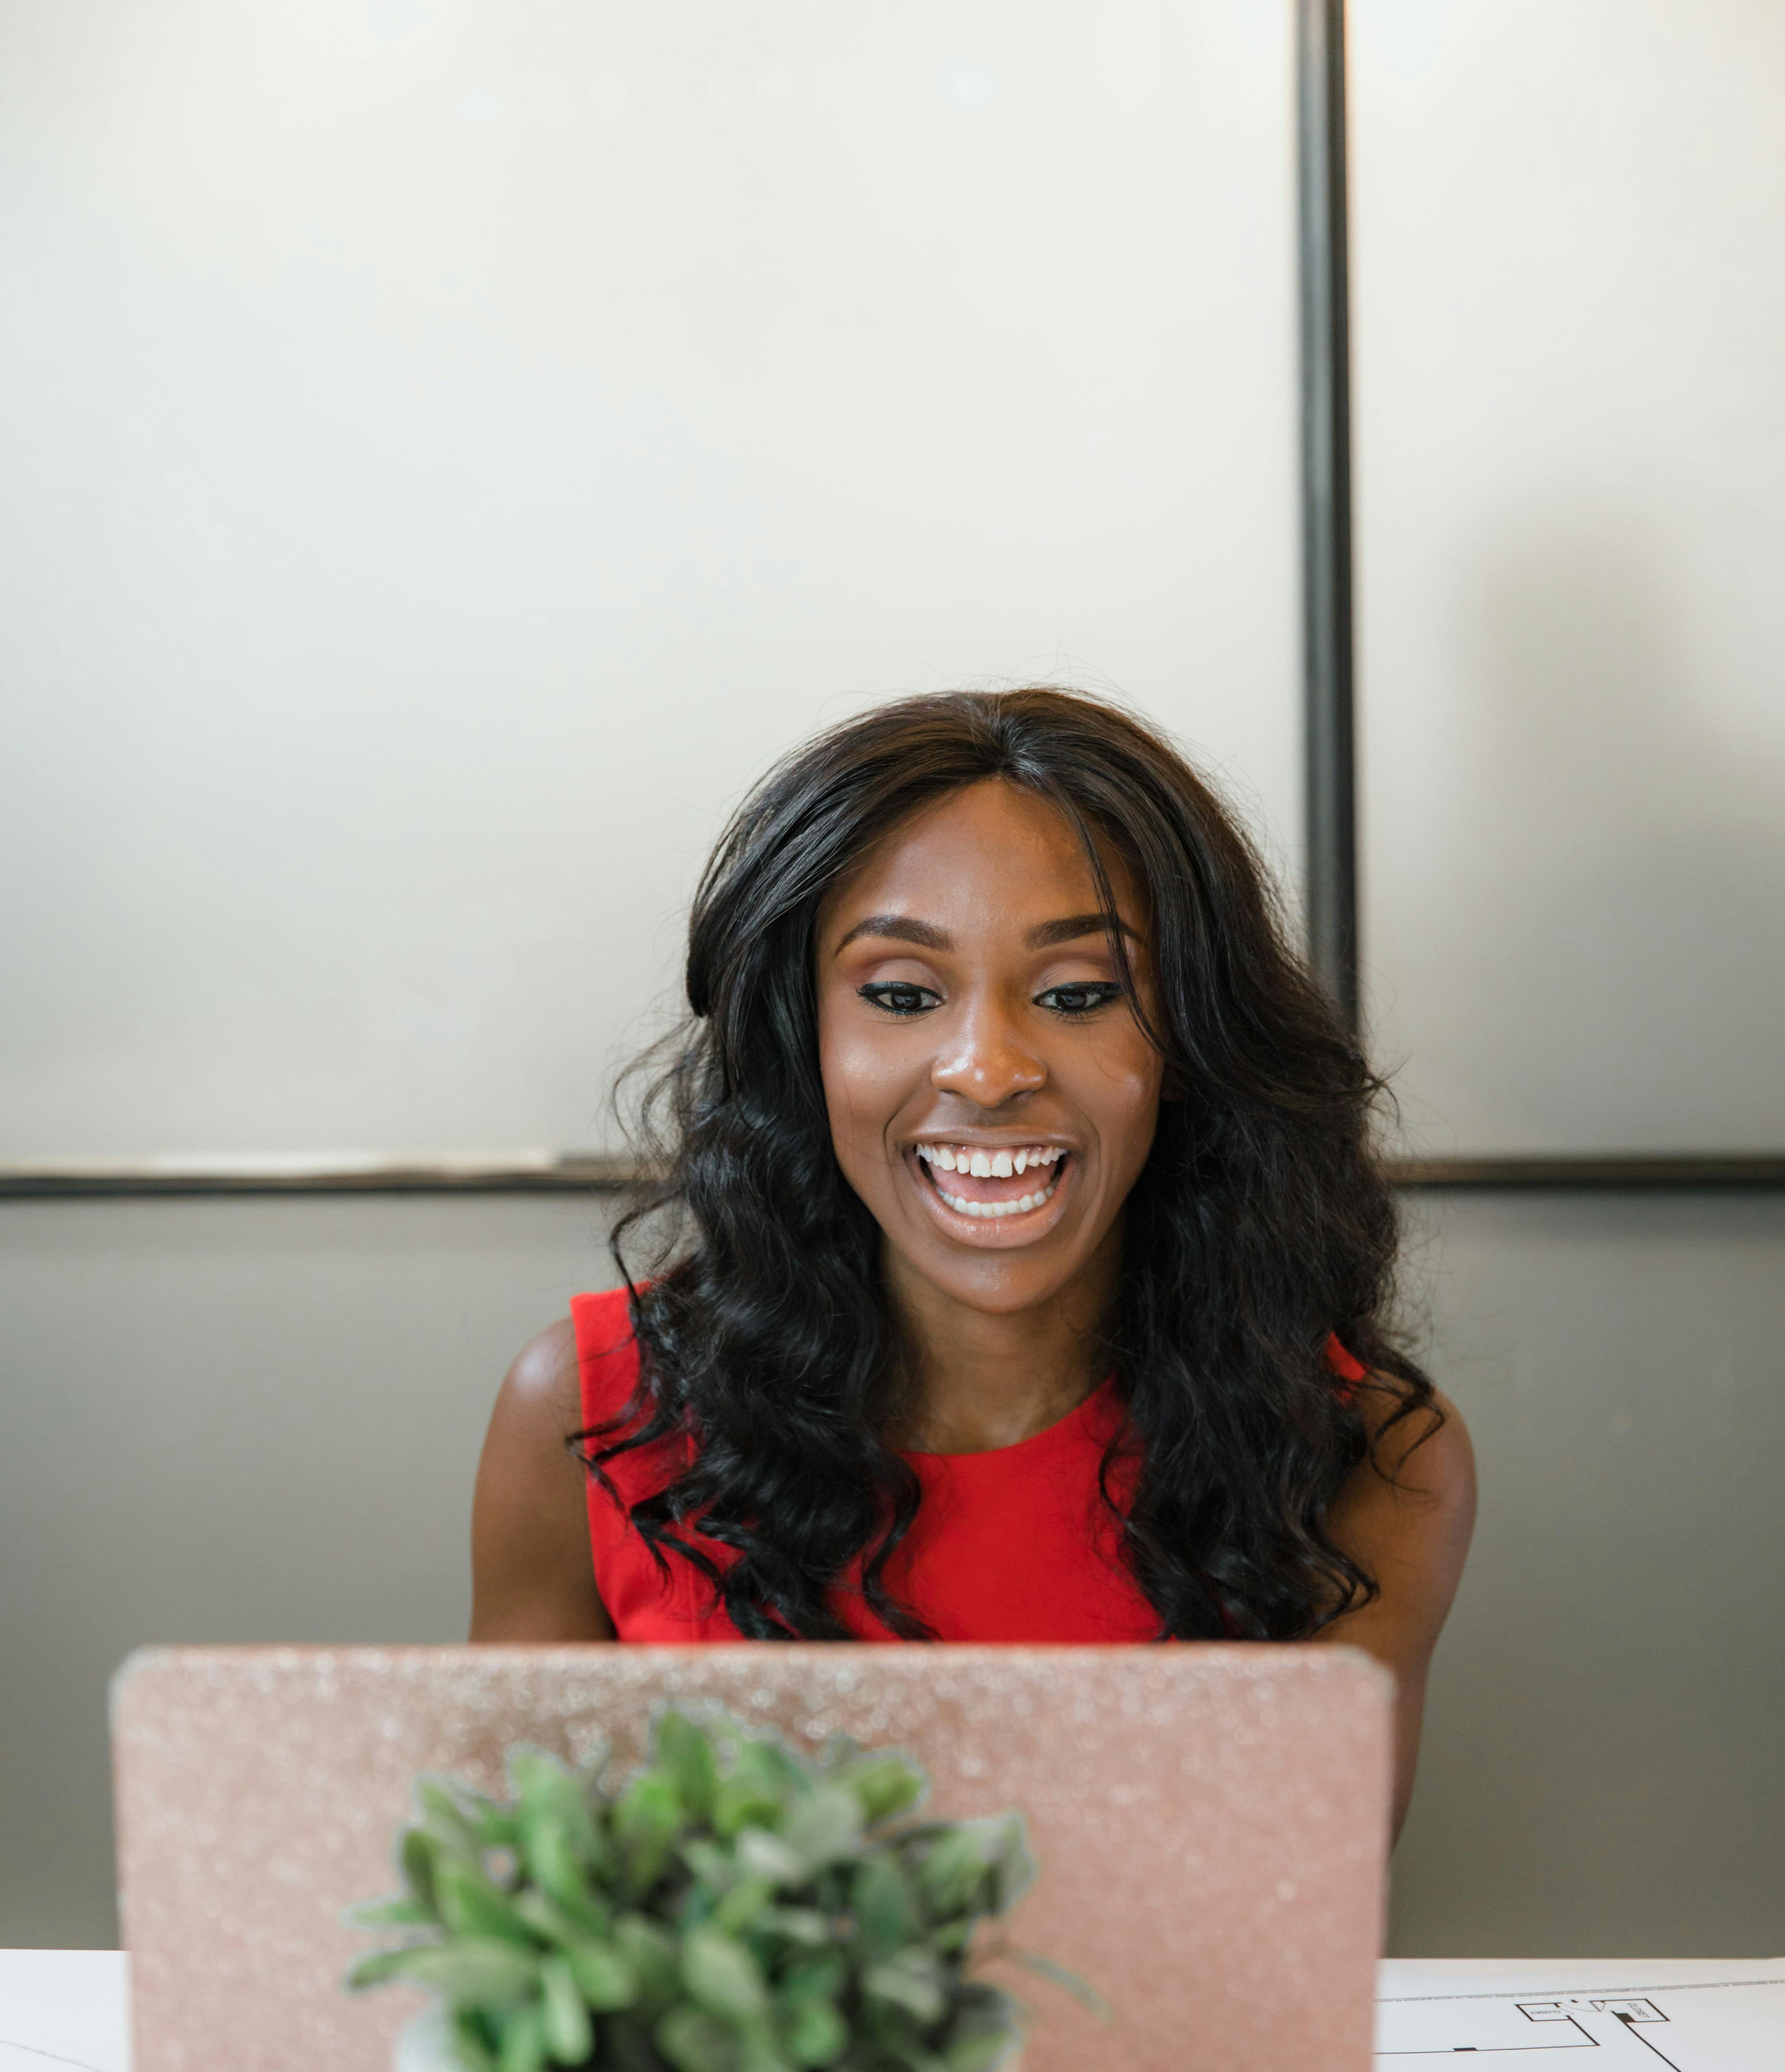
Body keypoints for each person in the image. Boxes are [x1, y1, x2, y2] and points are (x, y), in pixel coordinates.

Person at [471, 689, 1474, 1837]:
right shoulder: (589, 1410)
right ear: (804, 1046)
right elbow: (503, 1915)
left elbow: (1294, 1911)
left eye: (1080, 996)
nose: (988, 1069)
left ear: (1191, 1043)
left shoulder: (1370, 1453)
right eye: (901, 995)